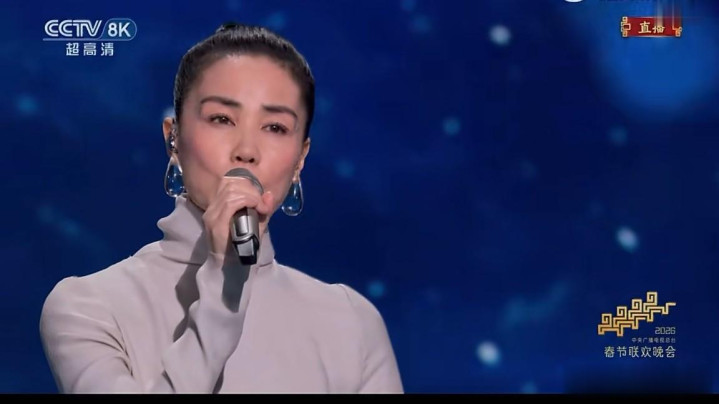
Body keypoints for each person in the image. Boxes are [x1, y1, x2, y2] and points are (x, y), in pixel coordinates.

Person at [39, 22, 403, 394]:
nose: (246, 150)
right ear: (173, 138)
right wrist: (225, 287)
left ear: (300, 158)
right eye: (222, 119)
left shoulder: (350, 321)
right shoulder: (88, 307)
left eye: (275, 127)